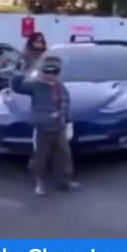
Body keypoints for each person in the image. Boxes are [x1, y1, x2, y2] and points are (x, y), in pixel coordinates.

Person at [11, 56, 79, 196]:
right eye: (47, 71)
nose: (50, 75)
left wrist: (68, 123)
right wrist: (20, 71)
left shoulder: (61, 87)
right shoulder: (35, 86)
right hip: (43, 128)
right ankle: (40, 183)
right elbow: (17, 87)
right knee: (41, 157)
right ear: (41, 71)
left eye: (54, 72)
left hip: (59, 127)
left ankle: (64, 181)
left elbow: (65, 106)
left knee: (64, 155)